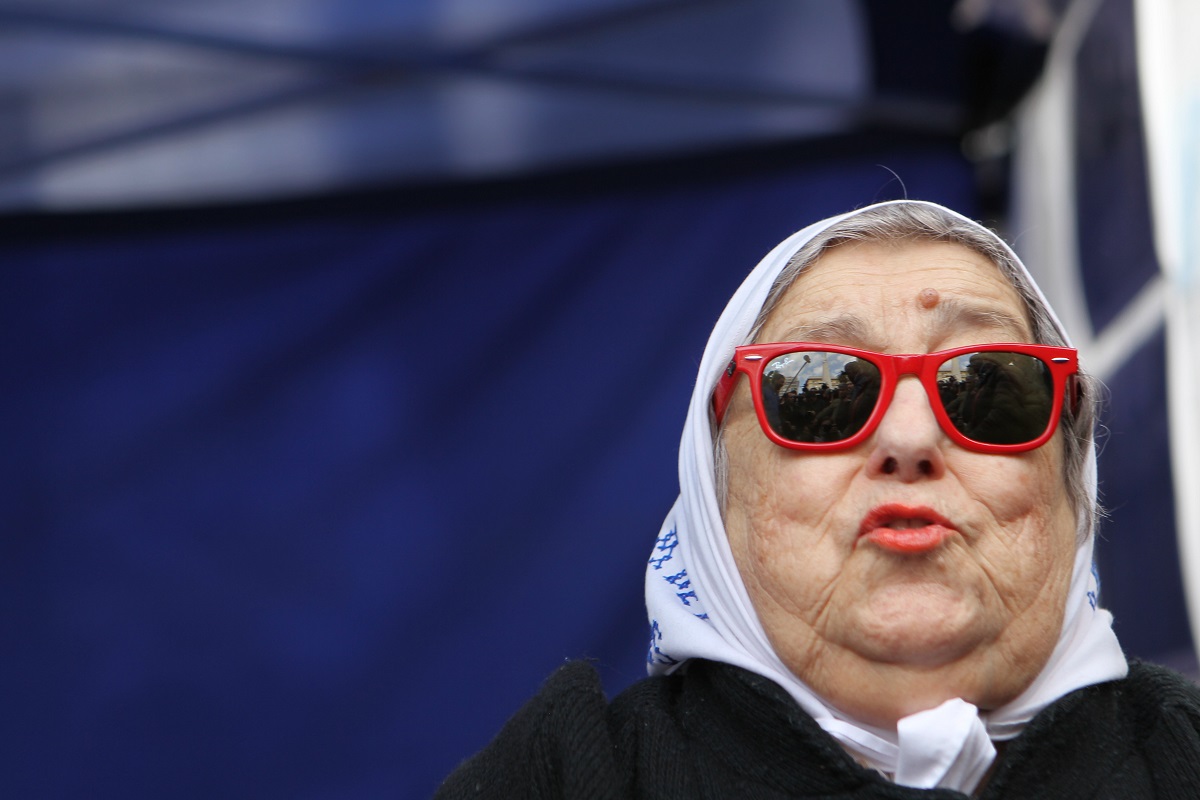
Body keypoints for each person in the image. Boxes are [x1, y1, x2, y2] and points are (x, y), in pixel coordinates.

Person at [436, 200, 1200, 798]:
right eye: (820, 391)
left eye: (988, 387)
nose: (910, 438)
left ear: (1072, 483)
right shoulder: (566, 776)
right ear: (714, 491)